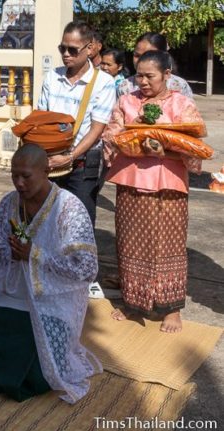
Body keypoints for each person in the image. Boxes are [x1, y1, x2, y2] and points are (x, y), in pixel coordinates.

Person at [0, 144, 100, 404]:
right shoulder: (8, 203)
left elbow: (87, 268)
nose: (19, 183)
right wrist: (10, 255)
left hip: (52, 298)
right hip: (13, 291)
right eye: (14, 175)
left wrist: (34, 255)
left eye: (26, 176)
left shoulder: (69, 208)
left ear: (47, 171)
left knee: (30, 368)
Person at [102, 50, 205, 333]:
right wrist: (133, 144)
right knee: (130, 242)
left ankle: (170, 309)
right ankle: (132, 302)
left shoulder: (181, 104)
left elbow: (194, 145)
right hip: (131, 181)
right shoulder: (127, 101)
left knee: (168, 245)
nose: (144, 82)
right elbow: (111, 136)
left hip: (168, 184)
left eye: (150, 76)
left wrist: (165, 149)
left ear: (167, 75)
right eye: (139, 75)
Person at [37, 20, 116, 227]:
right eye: (62, 48)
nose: (66, 54)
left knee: (79, 225)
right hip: (50, 161)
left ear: (89, 49)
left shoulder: (103, 82)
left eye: (72, 50)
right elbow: (41, 118)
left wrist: (69, 156)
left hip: (81, 165)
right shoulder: (52, 77)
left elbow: (97, 129)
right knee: (45, 221)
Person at [117, 32, 193, 99]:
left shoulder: (179, 85)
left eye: (148, 55)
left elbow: (190, 113)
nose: (141, 60)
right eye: (137, 55)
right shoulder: (124, 87)